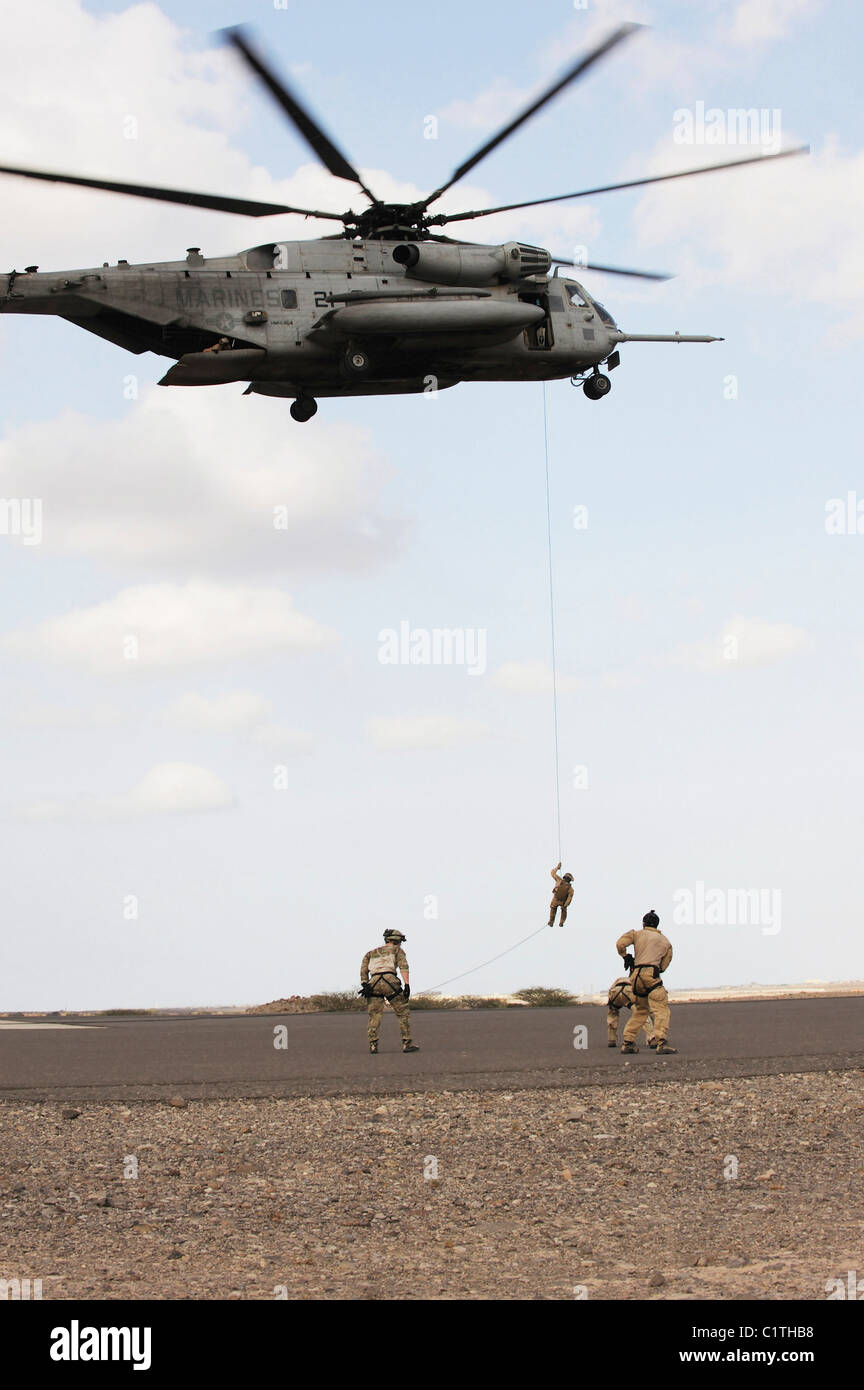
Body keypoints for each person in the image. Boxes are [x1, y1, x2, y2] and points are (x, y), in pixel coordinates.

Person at [615, 909, 677, 1055]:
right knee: (661, 1010)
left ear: (643, 923)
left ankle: (628, 1042)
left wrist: (626, 957)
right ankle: (661, 1042)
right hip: (651, 976)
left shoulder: (636, 934)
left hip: (635, 977)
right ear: (657, 924)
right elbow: (663, 967)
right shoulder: (665, 942)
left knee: (641, 1010)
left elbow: (620, 944)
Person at [359, 929, 419, 1055]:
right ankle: (406, 1043)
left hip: (373, 982)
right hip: (390, 980)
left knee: (374, 1015)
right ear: (397, 941)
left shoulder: (370, 953)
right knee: (403, 1012)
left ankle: (373, 1045)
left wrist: (365, 984)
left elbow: (363, 970)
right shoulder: (398, 950)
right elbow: (403, 966)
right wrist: (407, 984)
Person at [606, 972, 656, 1048]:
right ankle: (651, 1038)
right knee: (641, 1013)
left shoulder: (619, 979)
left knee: (612, 1015)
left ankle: (611, 1039)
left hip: (614, 992)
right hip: (628, 992)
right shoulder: (636, 979)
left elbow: (610, 992)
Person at [548, 862, 574, 928]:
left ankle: (552, 922)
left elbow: (552, 873)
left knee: (554, 909)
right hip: (560, 901)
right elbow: (569, 898)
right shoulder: (570, 888)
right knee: (562, 911)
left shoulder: (559, 880)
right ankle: (559, 922)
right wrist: (565, 906)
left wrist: (557, 867)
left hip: (557, 899)